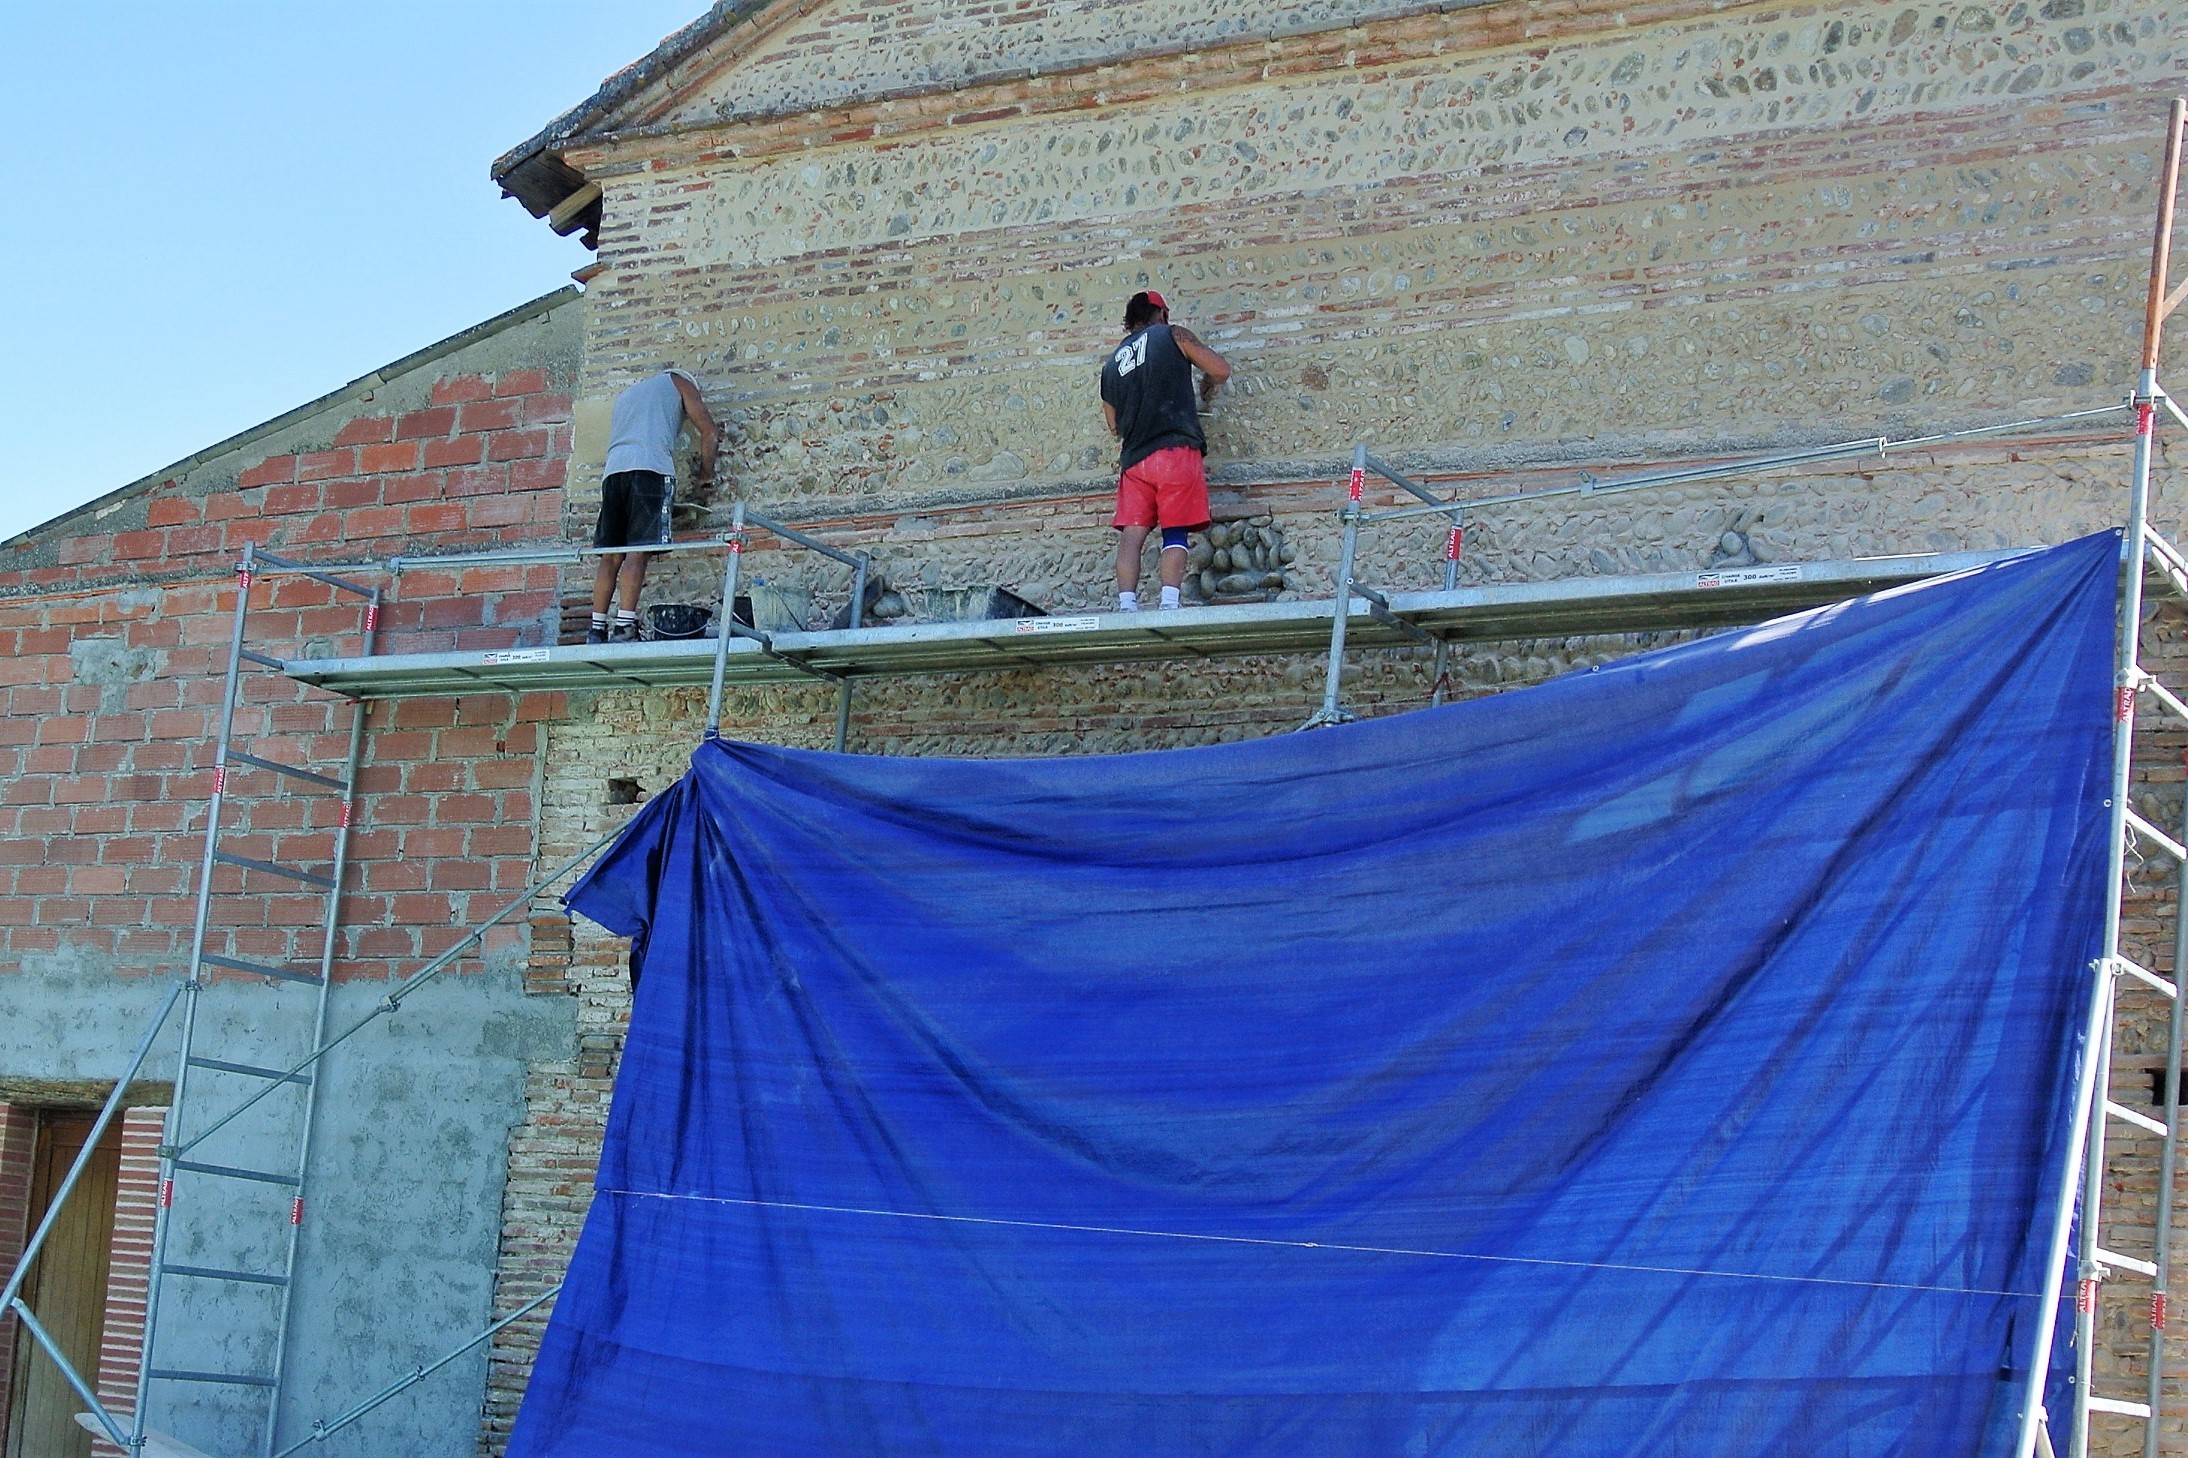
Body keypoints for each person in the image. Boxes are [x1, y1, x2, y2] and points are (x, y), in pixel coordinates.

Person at [1099, 290, 1231, 612]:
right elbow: (1220, 369)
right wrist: (1206, 386)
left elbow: (1113, 425)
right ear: (1160, 313)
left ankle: (1127, 605)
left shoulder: (1111, 365)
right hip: (1174, 452)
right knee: (1175, 532)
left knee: (1132, 536)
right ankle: (1169, 603)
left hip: (1134, 463)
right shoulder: (1173, 335)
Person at [590, 369, 720, 643]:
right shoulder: (680, 382)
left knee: (611, 555)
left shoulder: (627, 395)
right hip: (650, 469)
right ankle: (625, 626)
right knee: (638, 551)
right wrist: (706, 475)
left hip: (613, 473)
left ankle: (596, 628)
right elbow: (709, 432)